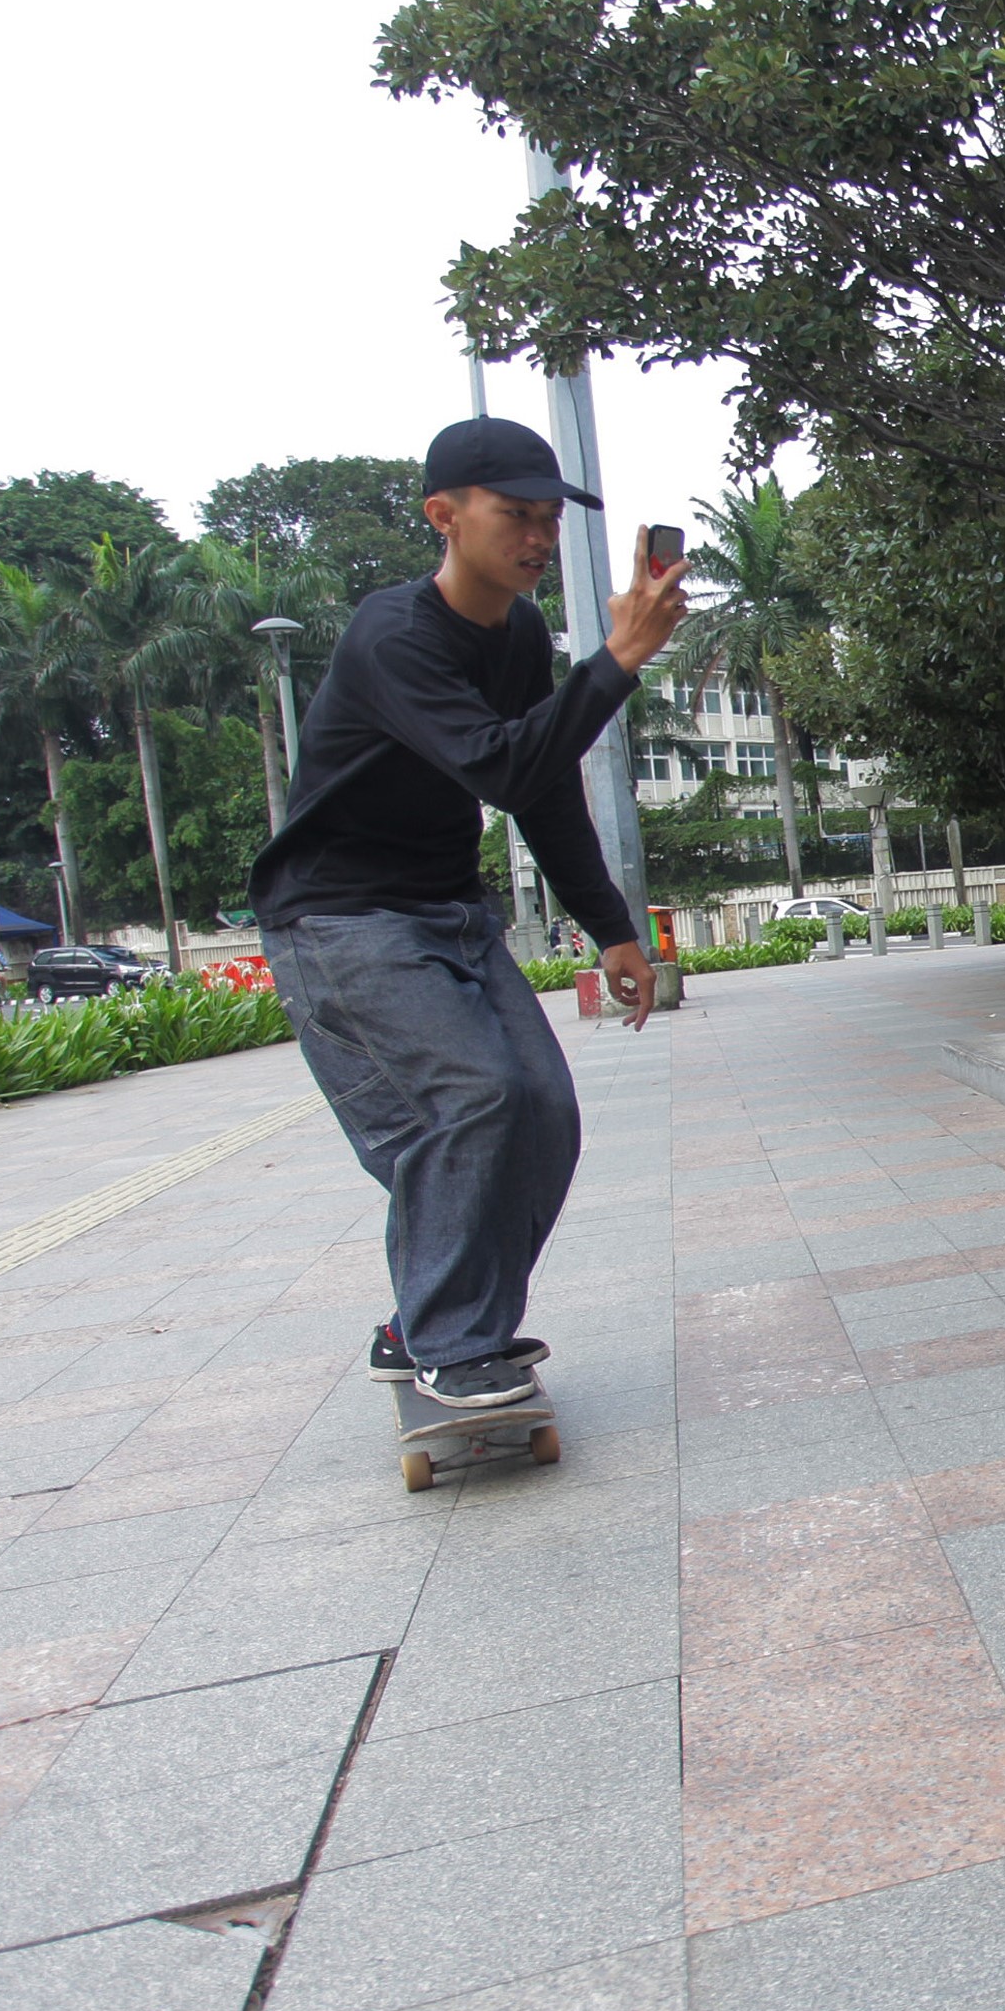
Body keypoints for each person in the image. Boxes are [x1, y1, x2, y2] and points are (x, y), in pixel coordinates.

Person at [252, 416, 689, 1411]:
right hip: (340, 916)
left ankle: (426, 1323)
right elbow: (497, 763)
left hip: (443, 907)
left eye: (547, 521)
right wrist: (617, 659)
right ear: (443, 517)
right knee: (476, 1098)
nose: (536, 539)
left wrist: (610, 926)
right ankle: (452, 1339)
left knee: (542, 1113)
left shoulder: (522, 634)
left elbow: (540, 789)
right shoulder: (392, 636)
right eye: (514, 518)